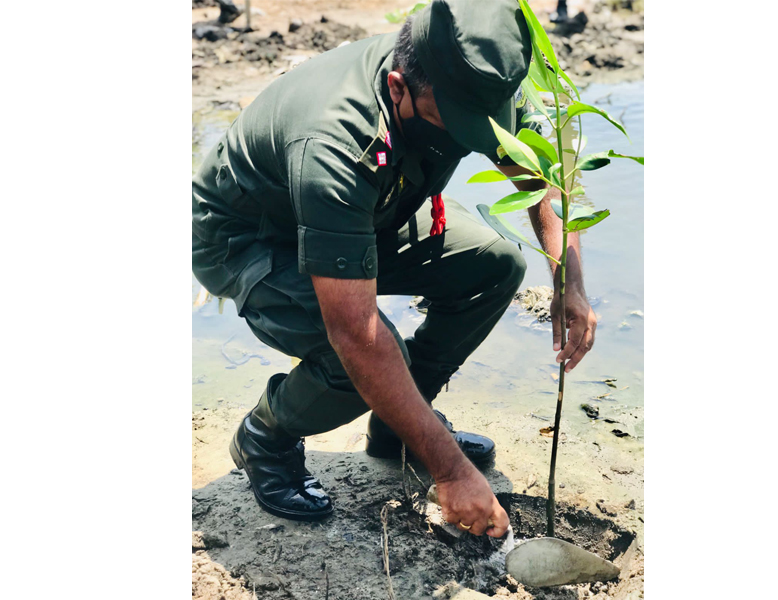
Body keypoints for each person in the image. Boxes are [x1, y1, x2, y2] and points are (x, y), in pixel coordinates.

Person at [192, 0, 597, 537]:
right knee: (360, 364)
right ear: (399, 86)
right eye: (454, 126)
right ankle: (265, 434)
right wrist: (449, 469)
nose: (472, 142)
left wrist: (569, 281)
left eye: (484, 128)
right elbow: (355, 335)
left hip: (368, 213)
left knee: (495, 265)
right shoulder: (335, 143)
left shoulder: (476, 73)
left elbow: (542, 174)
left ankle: (397, 429)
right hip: (253, 239)